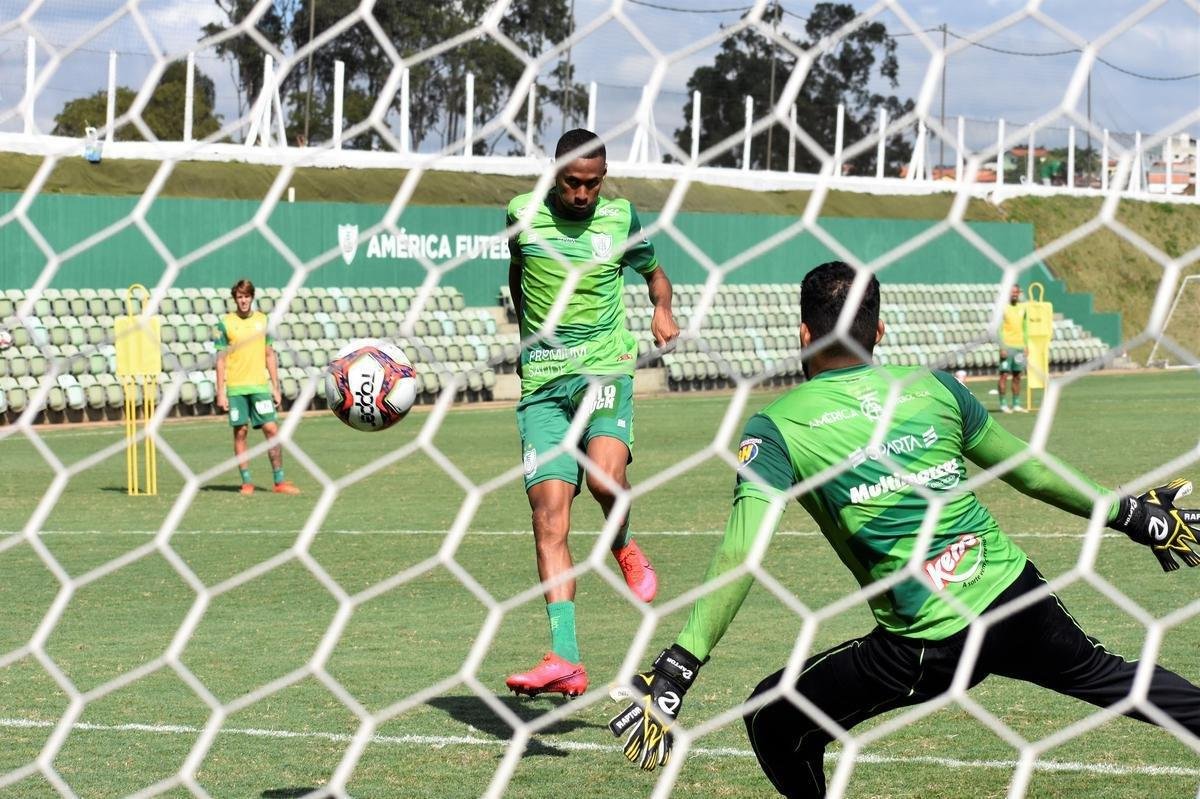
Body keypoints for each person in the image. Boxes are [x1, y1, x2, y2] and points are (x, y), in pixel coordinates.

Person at [609, 261, 1200, 795]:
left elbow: (743, 553)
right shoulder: (934, 386)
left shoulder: (778, 429)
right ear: (881, 332)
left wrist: (681, 665)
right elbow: (1030, 470)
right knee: (1117, 680)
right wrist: (1132, 514)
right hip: (1016, 593)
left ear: (804, 335)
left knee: (772, 719)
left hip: (928, 643)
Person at [504, 128, 679, 697]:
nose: (583, 194)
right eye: (573, 182)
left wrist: (661, 309)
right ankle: (566, 658)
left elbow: (655, 273)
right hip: (543, 386)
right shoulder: (521, 215)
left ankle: (623, 544)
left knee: (605, 480)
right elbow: (519, 274)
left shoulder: (621, 218)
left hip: (604, 368)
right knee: (548, 520)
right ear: (555, 174)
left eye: (594, 183)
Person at [214, 279, 300, 496]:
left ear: (252, 297)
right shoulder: (225, 324)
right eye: (239, 297)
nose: (243, 301)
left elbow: (269, 354)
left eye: (246, 296)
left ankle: (279, 481)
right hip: (236, 388)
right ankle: (246, 482)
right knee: (241, 432)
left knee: (272, 430)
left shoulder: (263, 321)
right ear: (235, 299)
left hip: (259, 386)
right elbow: (220, 360)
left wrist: (276, 387)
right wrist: (220, 392)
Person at [997, 283, 1028, 413]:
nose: (1014, 294)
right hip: (1007, 347)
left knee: (1017, 376)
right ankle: (1003, 404)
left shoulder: (1023, 308)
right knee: (1004, 375)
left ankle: (1016, 404)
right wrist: (1002, 347)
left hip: (1019, 348)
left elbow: (1025, 328)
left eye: (1016, 292)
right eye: (1012, 292)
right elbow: (999, 329)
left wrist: (1026, 345)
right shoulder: (1003, 308)